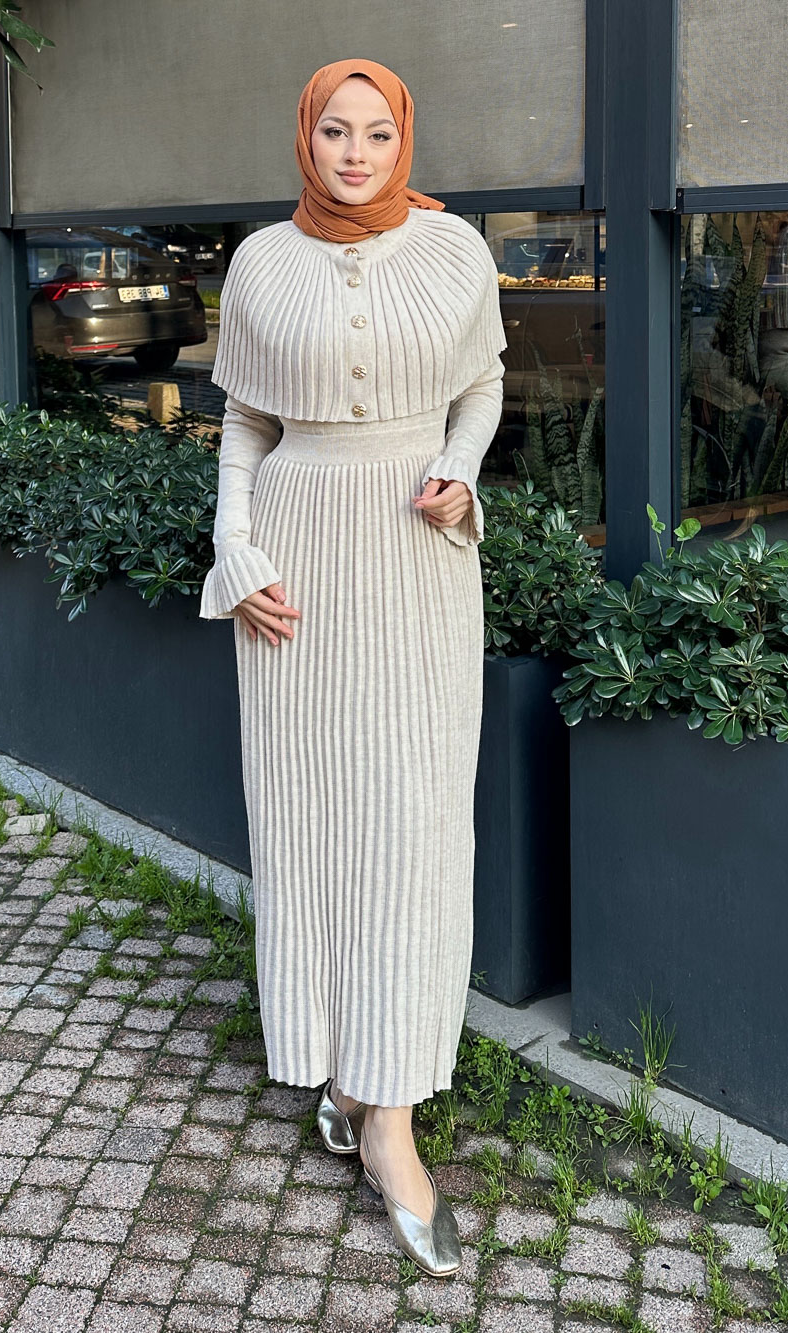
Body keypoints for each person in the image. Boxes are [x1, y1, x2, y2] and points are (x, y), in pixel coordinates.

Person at [199, 57, 506, 1277]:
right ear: (306, 137)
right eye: (336, 131)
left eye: (378, 133)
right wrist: (235, 547)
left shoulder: (455, 250)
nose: (357, 153)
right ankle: (340, 1074)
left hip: (418, 559)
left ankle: (391, 1114)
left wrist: (462, 471)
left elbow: (481, 386)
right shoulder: (260, 263)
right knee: (311, 818)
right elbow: (243, 423)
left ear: (404, 138)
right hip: (296, 567)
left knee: (414, 823)